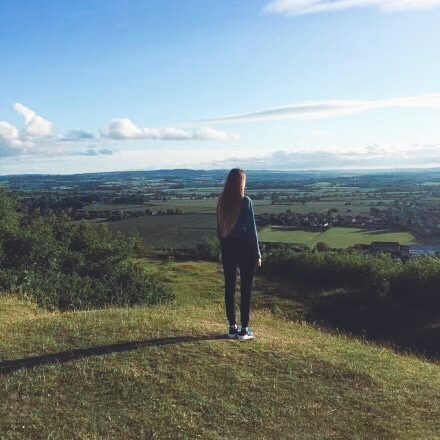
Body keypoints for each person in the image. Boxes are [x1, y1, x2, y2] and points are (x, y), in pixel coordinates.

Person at [217, 168, 261, 340]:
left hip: (227, 247)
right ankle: (244, 330)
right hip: (244, 248)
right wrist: (257, 254)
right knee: (246, 289)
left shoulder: (221, 201)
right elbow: (251, 231)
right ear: (241, 183)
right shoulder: (245, 201)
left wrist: (223, 252)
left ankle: (232, 327)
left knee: (229, 287)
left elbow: (219, 230)